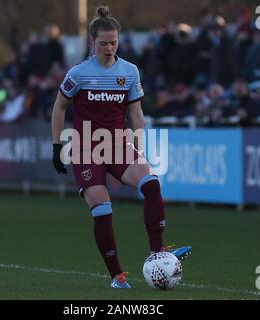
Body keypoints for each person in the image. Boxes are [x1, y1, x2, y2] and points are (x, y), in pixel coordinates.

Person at [51, 6, 191, 289]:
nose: (108, 48)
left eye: (113, 43)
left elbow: (136, 113)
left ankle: (158, 251)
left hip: (117, 145)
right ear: (93, 43)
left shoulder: (129, 71)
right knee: (102, 209)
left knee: (150, 182)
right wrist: (57, 146)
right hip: (87, 149)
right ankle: (117, 276)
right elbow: (59, 107)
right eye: (103, 43)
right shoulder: (78, 73)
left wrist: (138, 145)